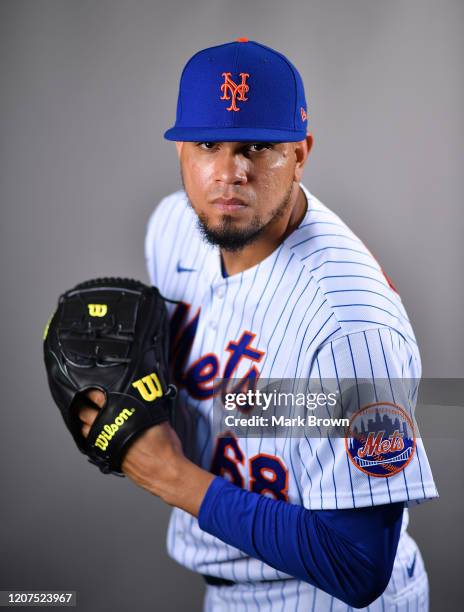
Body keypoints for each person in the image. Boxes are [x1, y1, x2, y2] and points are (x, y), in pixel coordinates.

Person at [78, 39, 438, 611]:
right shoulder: (171, 229)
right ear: (180, 155)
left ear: (301, 153)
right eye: (208, 144)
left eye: (258, 146)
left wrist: (171, 475)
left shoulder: (350, 325)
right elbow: (230, 405)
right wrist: (127, 412)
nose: (229, 172)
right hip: (226, 594)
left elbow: (358, 563)